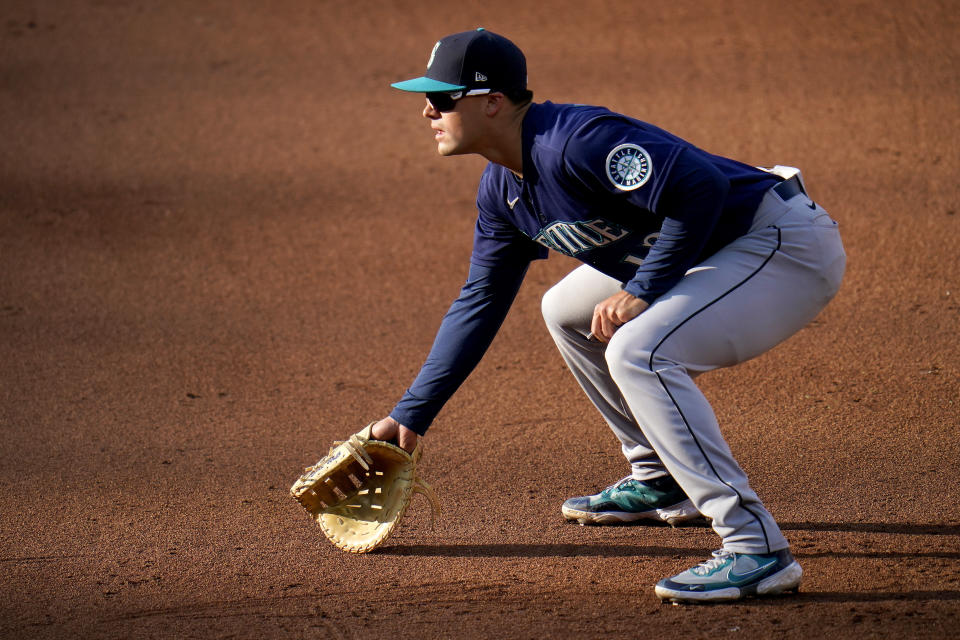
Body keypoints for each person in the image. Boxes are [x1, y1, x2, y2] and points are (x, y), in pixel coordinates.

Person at [372, 28, 845, 603]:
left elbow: (702, 187)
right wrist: (410, 415)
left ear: (492, 101)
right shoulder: (502, 191)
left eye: (443, 98)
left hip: (779, 242)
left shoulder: (576, 142)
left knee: (639, 350)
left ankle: (756, 548)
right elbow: (480, 299)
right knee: (563, 309)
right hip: (711, 246)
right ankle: (660, 479)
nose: (427, 110)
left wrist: (644, 289)